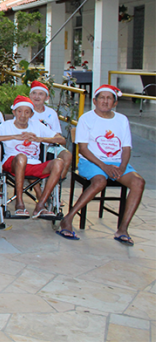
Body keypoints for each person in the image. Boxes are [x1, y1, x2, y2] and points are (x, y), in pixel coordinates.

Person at [57, 85, 146, 244]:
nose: (105, 101)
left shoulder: (121, 120)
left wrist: (122, 167)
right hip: (91, 161)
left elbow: (126, 147)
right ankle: (68, 219)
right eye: (102, 98)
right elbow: (83, 149)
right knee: (100, 182)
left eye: (109, 98)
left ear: (115, 102)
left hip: (117, 163)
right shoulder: (86, 118)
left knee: (138, 182)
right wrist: (104, 167)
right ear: (95, 101)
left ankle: (123, 229)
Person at [0, 95, 66, 218]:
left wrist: (39, 139)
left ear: (31, 114)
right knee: (21, 157)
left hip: (34, 164)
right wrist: (13, 136)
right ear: (14, 112)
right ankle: (19, 203)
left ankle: (41, 205)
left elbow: (61, 139)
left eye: (27, 112)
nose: (23, 115)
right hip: (12, 162)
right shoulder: (7, 125)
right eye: (19, 111)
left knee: (59, 162)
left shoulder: (37, 125)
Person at [28, 81, 73, 178]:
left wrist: (45, 140)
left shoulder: (51, 113)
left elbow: (57, 134)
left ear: (47, 98)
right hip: (30, 146)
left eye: (41, 94)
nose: (37, 96)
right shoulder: (25, 111)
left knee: (67, 156)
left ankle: (55, 184)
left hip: (50, 146)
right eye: (34, 93)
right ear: (30, 95)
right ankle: (41, 192)